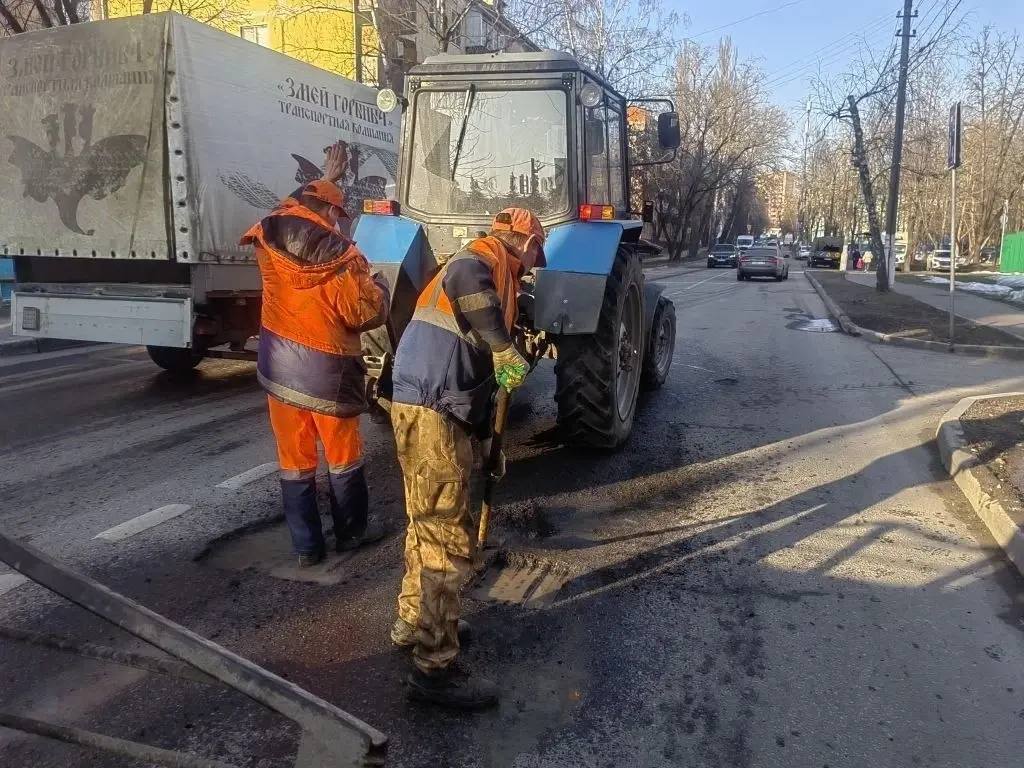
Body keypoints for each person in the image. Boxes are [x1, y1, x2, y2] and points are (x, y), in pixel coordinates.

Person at [388, 208, 545, 709]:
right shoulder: (484, 256)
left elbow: (469, 361)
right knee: (445, 541)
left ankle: (415, 621)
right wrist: (502, 347)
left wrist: (482, 441)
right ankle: (435, 668)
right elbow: (463, 277)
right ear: (522, 239)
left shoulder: (497, 272)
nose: (536, 263)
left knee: (425, 524)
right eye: (538, 250)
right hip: (432, 405)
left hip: (426, 403)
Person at [241, 142, 390, 567]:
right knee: (342, 459)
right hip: (327, 369)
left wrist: (328, 178)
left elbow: (294, 205)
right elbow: (365, 314)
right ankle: (352, 534)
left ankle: (307, 547)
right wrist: (378, 286)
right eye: (336, 215)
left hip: (279, 366)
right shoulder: (345, 258)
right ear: (328, 215)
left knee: (294, 460)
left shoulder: (268, 233)